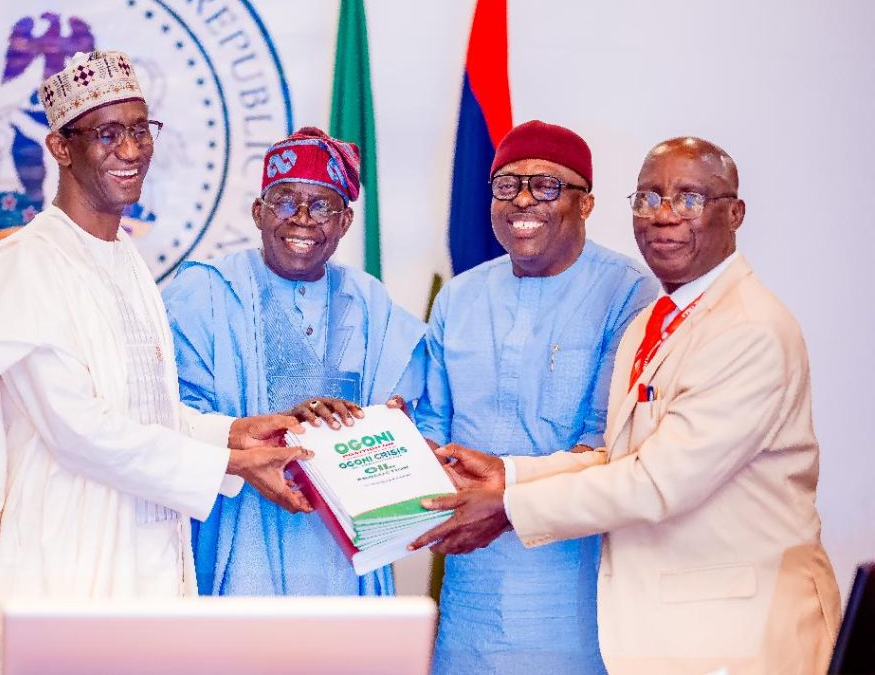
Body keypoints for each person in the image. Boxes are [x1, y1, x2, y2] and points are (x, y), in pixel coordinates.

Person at [0, 50, 312, 674]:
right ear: (60, 147)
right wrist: (230, 463)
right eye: (107, 134)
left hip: (144, 547)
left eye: (141, 130)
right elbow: (77, 429)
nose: (131, 150)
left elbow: (141, 408)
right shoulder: (25, 265)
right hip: (65, 555)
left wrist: (233, 431)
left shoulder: (124, 261)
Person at [412, 137, 842, 674]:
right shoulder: (657, 321)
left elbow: (658, 482)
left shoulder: (748, 329)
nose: (663, 216)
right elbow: (623, 454)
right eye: (648, 198)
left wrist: (507, 506)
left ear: (734, 213)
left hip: (736, 630)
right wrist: (507, 472)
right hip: (659, 625)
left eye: (689, 199)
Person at [413, 119, 657, 674]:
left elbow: (613, 445)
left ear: (586, 204)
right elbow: (432, 421)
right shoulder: (460, 297)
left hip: (570, 589)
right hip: (469, 590)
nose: (522, 200)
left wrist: (503, 490)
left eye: (546, 186)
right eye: (506, 185)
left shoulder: (628, 293)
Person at [163, 126, 427, 596]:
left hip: (342, 544)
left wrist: (364, 421)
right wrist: (274, 426)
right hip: (240, 531)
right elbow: (168, 418)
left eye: (322, 205)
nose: (302, 219)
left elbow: (410, 412)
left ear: (345, 221)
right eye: (285, 201)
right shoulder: (202, 292)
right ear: (258, 212)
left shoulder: (369, 301)